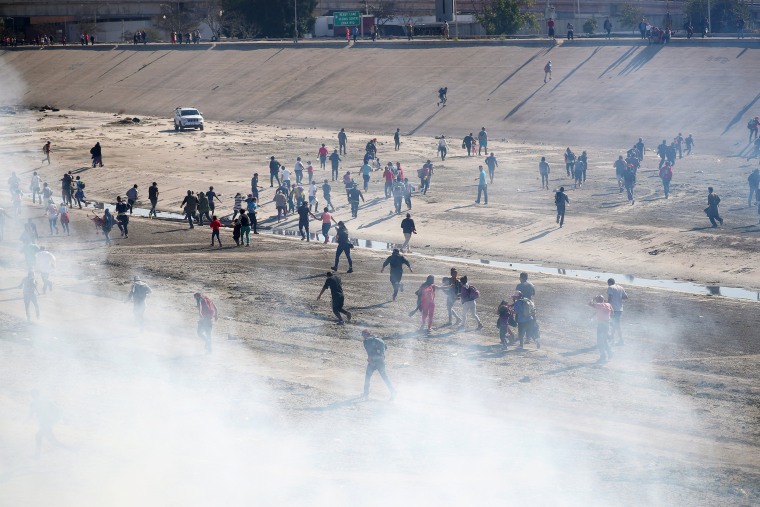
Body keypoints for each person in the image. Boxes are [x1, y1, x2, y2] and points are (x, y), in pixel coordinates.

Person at [361, 330, 395, 399]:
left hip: (373, 362)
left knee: (367, 377)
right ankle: (393, 391)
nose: (363, 337)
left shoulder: (367, 341)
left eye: (363, 335)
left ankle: (365, 393)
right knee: (385, 377)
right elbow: (385, 348)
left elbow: (369, 352)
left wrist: (370, 359)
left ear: (365, 335)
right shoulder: (379, 339)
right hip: (381, 361)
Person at [589, 295, 613, 363]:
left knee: (600, 341)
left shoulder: (599, 305)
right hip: (607, 324)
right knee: (604, 340)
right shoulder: (608, 304)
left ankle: (603, 356)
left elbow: (589, 303)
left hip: (601, 325)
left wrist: (593, 298)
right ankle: (610, 353)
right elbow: (612, 313)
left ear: (597, 300)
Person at [606, 278, 628, 346]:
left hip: (613, 309)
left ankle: (620, 340)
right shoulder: (620, 287)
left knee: (615, 324)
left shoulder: (610, 288)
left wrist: (607, 306)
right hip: (620, 309)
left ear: (609, 283)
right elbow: (626, 297)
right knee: (615, 324)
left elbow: (610, 297)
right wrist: (618, 298)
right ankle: (612, 339)